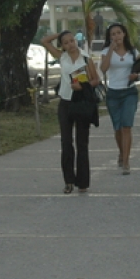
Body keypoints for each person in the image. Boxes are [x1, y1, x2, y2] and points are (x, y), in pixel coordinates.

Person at [42, 30, 101, 193]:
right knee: (66, 142)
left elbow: (95, 80)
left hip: (81, 102)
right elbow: (44, 41)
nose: (70, 44)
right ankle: (68, 180)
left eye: (72, 40)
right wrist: (59, 34)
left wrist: (83, 86)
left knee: (82, 143)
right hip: (66, 103)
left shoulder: (86, 58)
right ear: (62, 45)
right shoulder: (62, 57)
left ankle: (83, 182)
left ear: (77, 41)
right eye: (66, 42)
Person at [100, 23, 140, 175]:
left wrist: (136, 76)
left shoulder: (132, 51)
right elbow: (103, 69)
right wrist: (111, 49)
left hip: (129, 92)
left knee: (126, 126)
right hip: (113, 93)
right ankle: (121, 151)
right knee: (117, 128)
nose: (116, 36)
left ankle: (126, 160)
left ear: (124, 34)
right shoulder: (106, 51)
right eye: (113, 34)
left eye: (119, 33)